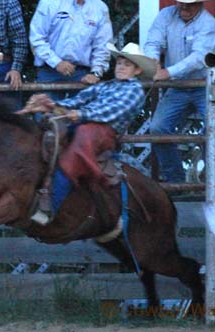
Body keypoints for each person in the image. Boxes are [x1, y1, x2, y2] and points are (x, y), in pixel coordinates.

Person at [18, 43, 156, 221]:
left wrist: (80, 114)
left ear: (137, 71)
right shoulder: (107, 85)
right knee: (48, 135)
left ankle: (50, 207)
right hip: (84, 122)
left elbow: (112, 112)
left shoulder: (134, 90)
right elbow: (79, 99)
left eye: (127, 65)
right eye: (119, 63)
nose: (121, 67)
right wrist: (54, 106)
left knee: (73, 153)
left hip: (105, 132)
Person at [143, 0, 215, 183]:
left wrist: (167, 72)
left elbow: (198, 59)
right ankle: (176, 180)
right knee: (158, 128)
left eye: (190, 4)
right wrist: (153, 59)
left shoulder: (209, 24)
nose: (185, 7)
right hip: (180, 84)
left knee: (213, 130)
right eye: (182, 3)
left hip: (205, 84)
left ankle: (212, 181)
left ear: (200, 4)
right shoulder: (166, 15)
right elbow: (153, 42)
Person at [29, 0, 113, 100]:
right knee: (45, 113)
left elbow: (103, 45)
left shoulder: (100, 7)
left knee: (80, 114)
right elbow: (36, 38)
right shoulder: (49, 3)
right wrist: (56, 62)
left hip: (83, 75)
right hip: (49, 71)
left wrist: (95, 73)